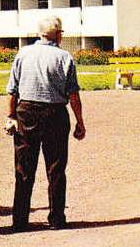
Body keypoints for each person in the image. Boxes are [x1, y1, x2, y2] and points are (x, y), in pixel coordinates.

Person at [5, 16, 86, 232]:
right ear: (58, 34)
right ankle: (57, 218)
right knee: (56, 168)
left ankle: (20, 220)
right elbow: (73, 95)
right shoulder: (64, 57)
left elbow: (12, 90)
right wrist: (80, 122)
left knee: (23, 168)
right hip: (55, 113)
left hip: (27, 112)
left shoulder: (23, 54)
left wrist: (10, 116)